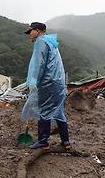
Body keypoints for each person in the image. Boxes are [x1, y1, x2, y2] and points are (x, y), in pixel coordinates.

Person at [21, 22, 70, 150]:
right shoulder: (51, 42)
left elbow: (39, 63)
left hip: (48, 82)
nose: (29, 35)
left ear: (37, 31)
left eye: (30, 32)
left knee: (44, 110)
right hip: (58, 82)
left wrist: (33, 80)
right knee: (59, 111)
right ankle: (66, 142)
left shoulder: (40, 42)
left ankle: (43, 141)